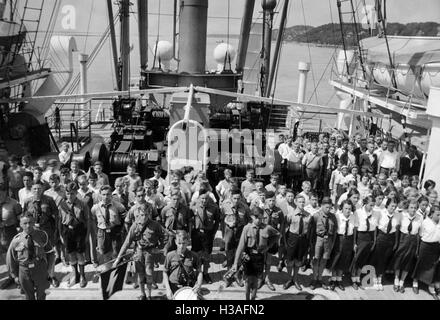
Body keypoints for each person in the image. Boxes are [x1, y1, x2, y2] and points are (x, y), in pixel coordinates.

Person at [115, 202, 167, 300]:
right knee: (140, 274)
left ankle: (149, 295)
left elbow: (165, 236)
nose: (144, 217)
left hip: (150, 253)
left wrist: (159, 248)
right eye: (142, 214)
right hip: (138, 252)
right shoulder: (135, 225)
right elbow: (127, 242)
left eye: (146, 214)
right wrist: (118, 258)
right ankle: (143, 294)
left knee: (149, 274)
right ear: (139, 214)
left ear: (149, 213)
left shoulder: (155, 225)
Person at [232, 207, 280, 300]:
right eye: (257, 218)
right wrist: (235, 263)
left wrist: (268, 246)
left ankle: (253, 297)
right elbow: (240, 246)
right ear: (252, 217)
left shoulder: (267, 228)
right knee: (247, 281)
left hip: (260, 257)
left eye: (261, 218)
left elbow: (277, 235)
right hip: (249, 256)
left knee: (256, 282)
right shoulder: (247, 228)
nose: (259, 220)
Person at [6, 214, 53, 300]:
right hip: (24, 271)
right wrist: (14, 276)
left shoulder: (42, 235)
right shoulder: (16, 240)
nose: (28, 225)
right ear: (20, 224)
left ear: (34, 222)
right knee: (28, 296)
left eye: (30, 222)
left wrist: (49, 270)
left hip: (40, 268)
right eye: (25, 223)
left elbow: (50, 253)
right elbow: (10, 259)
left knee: (42, 294)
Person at [23, 182, 60, 288]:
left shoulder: (49, 200)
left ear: (43, 189)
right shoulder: (27, 202)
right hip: (33, 232)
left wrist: (56, 229)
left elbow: (56, 215)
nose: (37, 191)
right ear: (31, 190)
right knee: (35, 254)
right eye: (34, 189)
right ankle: (39, 276)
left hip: (47, 231)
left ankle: (52, 276)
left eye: (39, 189)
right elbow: (24, 216)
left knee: (50, 254)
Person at [59, 182, 90, 287]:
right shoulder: (62, 205)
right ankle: (75, 275)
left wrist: (87, 236)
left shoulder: (82, 204)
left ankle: (82, 276)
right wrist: (60, 235)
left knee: (80, 254)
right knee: (71, 254)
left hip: (79, 231)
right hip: (67, 231)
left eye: (72, 193)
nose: (70, 196)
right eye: (68, 193)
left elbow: (87, 220)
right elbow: (59, 221)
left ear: (76, 193)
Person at [91, 185, 127, 269]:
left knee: (116, 253)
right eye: (103, 194)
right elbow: (93, 220)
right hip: (102, 232)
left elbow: (125, 220)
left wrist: (122, 231)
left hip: (115, 231)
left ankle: (117, 271)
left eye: (108, 194)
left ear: (111, 194)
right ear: (100, 194)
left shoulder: (119, 206)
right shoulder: (95, 208)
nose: (106, 197)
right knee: (104, 253)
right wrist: (97, 232)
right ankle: (108, 270)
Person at [283, 194, 313, 291]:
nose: (302, 203)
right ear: (295, 202)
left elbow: (309, 230)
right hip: (292, 238)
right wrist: (285, 242)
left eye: (303, 202)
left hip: (302, 239)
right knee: (290, 261)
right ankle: (289, 279)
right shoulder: (290, 215)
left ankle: (295, 279)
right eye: (300, 201)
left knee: (298, 261)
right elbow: (286, 229)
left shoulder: (308, 215)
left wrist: (308, 243)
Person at [221, 189, 251, 286]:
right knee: (229, 254)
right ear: (231, 197)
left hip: (240, 233)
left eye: (238, 198)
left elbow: (249, 221)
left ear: (241, 198)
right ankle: (229, 276)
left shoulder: (245, 207)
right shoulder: (225, 206)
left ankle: (238, 275)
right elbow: (221, 219)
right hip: (229, 233)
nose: (236, 200)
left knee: (239, 255)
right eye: (234, 198)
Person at [369, 198, 400, 291]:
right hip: (381, 237)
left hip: (390, 238)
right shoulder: (380, 213)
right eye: (392, 206)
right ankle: (374, 279)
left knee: (385, 259)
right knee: (377, 258)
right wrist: (375, 240)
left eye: (395, 206)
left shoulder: (398, 215)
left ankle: (380, 279)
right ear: (387, 205)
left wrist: (396, 242)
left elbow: (397, 229)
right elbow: (375, 227)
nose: (393, 208)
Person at [391, 200, 422, 294]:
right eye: (411, 207)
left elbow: (419, 234)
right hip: (402, 239)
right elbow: (397, 229)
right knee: (399, 260)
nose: (413, 210)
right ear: (407, 208)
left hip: (412, 241)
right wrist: (396, 243)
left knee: (408, 262)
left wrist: (417, 247)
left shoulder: (419, 217)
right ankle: (396, 280)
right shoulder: (402, 215)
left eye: (415, 208)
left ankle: (402, 282)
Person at [191, 190, 221, 284]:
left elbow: (217, 221)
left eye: (206, 198)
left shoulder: (214, 208)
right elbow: (190, 220)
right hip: (196, 234)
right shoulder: (193, 207)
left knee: (207, 255)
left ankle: (206, 273)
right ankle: (197, 273)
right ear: (199, 198)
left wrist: (213, 233)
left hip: (208, 234)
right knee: (196, 254)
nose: (204, 200)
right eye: (202, 198)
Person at [163, 230, 203, 300]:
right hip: (173, 286)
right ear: (175, 242)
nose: (181, 246)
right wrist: (168, 289)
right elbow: (165, 272)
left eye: (184, 243)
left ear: (188, 241)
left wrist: (199, 284)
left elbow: (199, 271)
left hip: (188, 287)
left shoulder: (194, 256)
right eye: (179, 243)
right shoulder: (170, 255)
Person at [412, 205, 440, 300]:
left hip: (436, 247)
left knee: (433, 267)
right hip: (425, 246)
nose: (439, 216)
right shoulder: (425, 222)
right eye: (438, 214)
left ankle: (431, 288)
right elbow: (420, 236)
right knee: (420, 265)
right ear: (431, 214)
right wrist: (418, 249)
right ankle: (415, 283)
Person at [350, 195, 378, 290]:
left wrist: (374, 241)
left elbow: (374, 229)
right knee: (356, 259)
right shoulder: (358, 212)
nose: (372, 207)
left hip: (369, 238)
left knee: (363, 260)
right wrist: (354, 242)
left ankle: (358, 279)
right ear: (365, 203)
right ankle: (353, 280)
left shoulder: (375, 213)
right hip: (360, 237)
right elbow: (355, 229)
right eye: (370, 205)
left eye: (373, 205)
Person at [310, 197, 337, 290]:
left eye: (330, 207)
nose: (328, 209)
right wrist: (311, 245)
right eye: (326, 207)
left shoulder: (333, 217)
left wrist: (332, 243)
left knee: (323, 261)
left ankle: (320, 278)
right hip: (318, 240)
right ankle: (314, 279)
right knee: (316, 260)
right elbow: (312, 231)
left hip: (328, 241)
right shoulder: (316, 216)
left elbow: (334, 232)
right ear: (321, 206)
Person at [329, 200, 355, 291]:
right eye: (346, 208)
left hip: (348, 240)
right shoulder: (337, 216)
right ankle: (333, 280)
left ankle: (339, 280)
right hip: (339, 239)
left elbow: (354, 231)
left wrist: (354, 243)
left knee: (344, 260)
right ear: (342, 208)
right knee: (336, 259)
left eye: (349, 208)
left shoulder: (353, 217)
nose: (348, 210)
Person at [0, 182, 22, 289]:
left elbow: (21, 220)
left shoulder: (14, 203)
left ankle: (19, 279)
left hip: (10, 232)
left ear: (6, 192)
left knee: (14, 256)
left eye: (1, 192)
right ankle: (10, 276)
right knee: (5, 257)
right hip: (0, 234)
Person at [261, 191, 284, 291]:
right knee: (261, 258)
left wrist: (279, 235)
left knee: (269, 259)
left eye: (273, 200)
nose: (271, 202)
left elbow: (283, 223)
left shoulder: (279, 211)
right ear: (266, 200)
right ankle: (260, 278)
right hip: (262, 238)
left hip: (272, 238)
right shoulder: (261, 210)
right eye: (269, 200)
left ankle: (267, 278)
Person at [161, 190, 193, 255]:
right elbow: (162, 223)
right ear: (170, 198)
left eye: (177, 199)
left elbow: (189, 222)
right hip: (169, 233)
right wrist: (166, 232)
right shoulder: (165, 209)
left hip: (181, 233)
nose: (176, 201)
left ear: (180, 198)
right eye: (174, 199)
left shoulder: (185, 209)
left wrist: (189, 234)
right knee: (169, 252)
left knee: (181, 252)